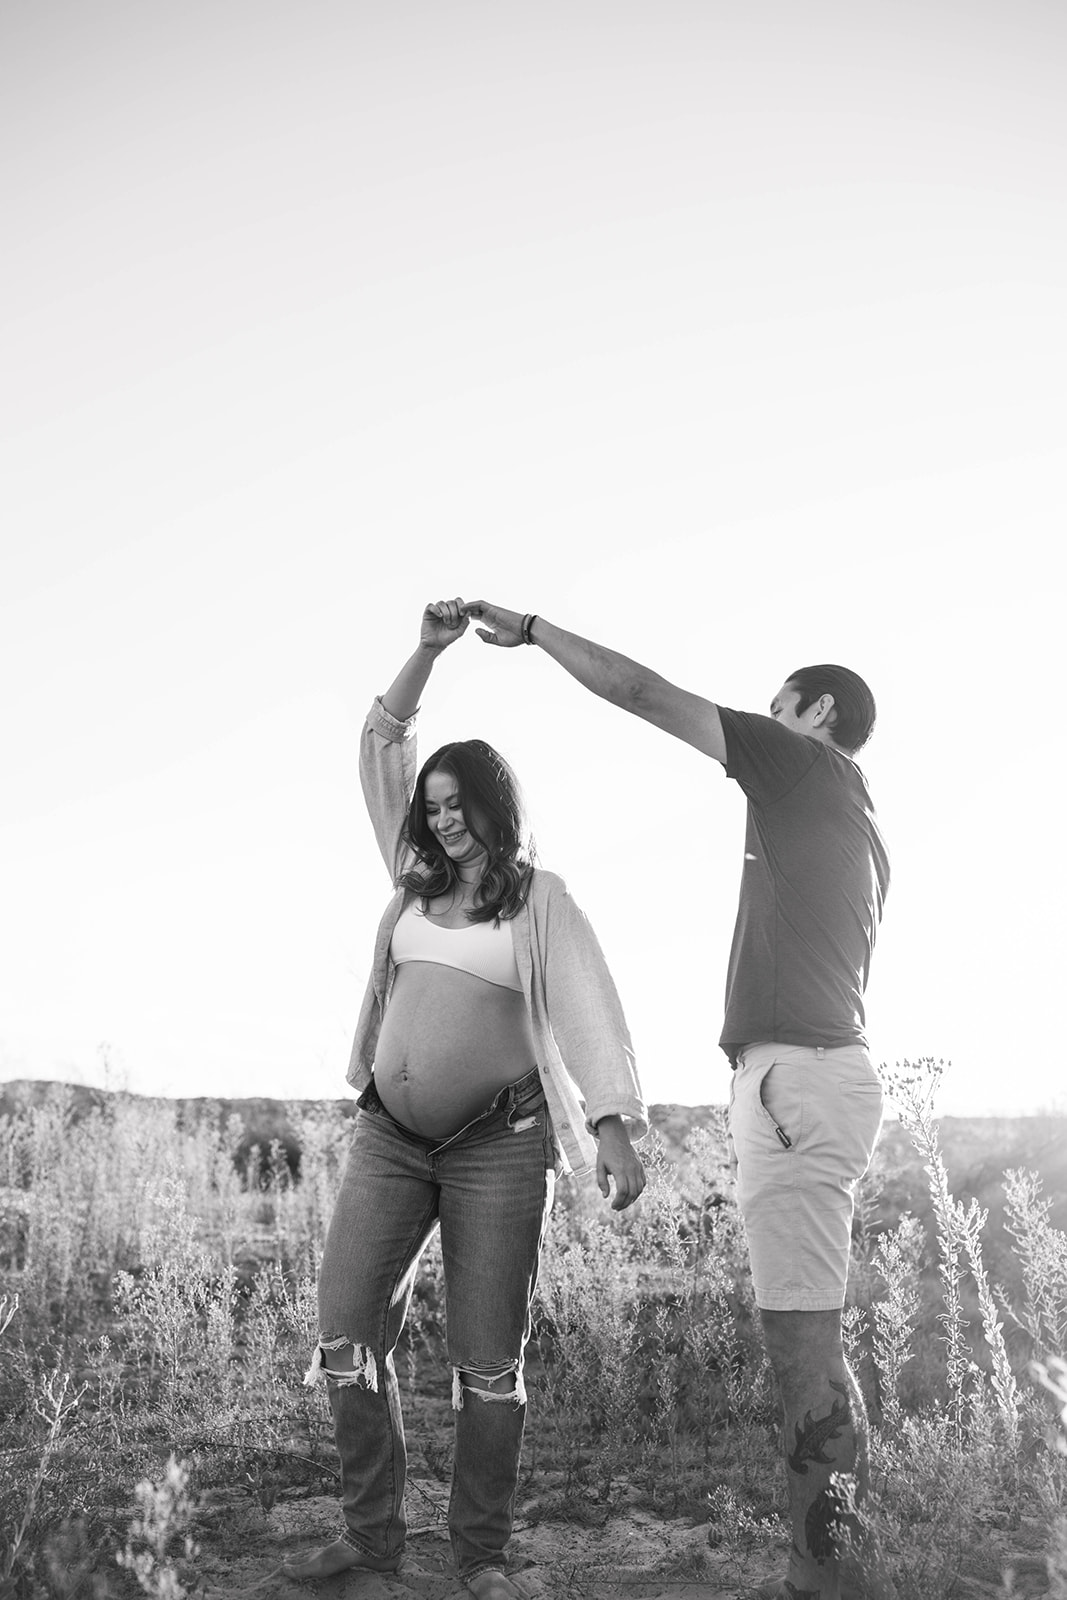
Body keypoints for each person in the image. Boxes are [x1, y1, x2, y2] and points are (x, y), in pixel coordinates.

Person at [465, 600, 892, 1600]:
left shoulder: (803, 766)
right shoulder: (854, 816)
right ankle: (834, 1565)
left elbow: (640, 692)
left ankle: (826, 1581)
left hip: (795, 1079)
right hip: (810, 1077)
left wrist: (531, 630)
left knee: (800, 1343)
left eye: (775, 702)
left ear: (813, 709)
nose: (758, 716)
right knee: (807, 1337)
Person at [283, 599, 647, 1600]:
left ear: (494, 805)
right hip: (389, 1140)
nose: (440, 816)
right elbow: (382, 742)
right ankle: (371, 1540)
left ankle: (478, 1555)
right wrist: (427, 650)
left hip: (498, 1143)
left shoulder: (540, 901)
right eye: (432, 804)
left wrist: (613, 1127)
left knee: (488, 1360)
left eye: (458, 802)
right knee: (346, 1331)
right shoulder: (409, 883)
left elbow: (586, 1010)